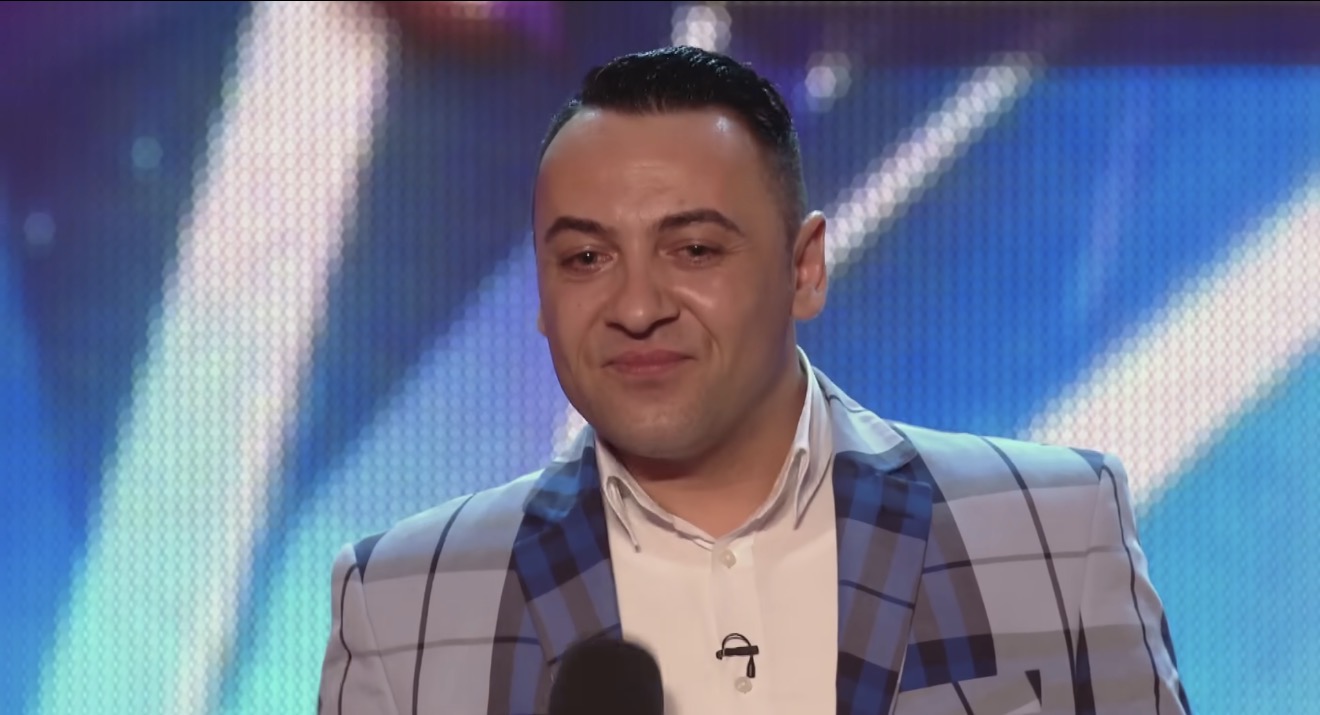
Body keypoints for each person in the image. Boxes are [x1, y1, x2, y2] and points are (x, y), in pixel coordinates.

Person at [318, 45, 1190, 715]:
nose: (637, 306)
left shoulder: (1049, 531)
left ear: (804, 268)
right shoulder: (403, 605)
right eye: (586, 258)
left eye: (694, 249)